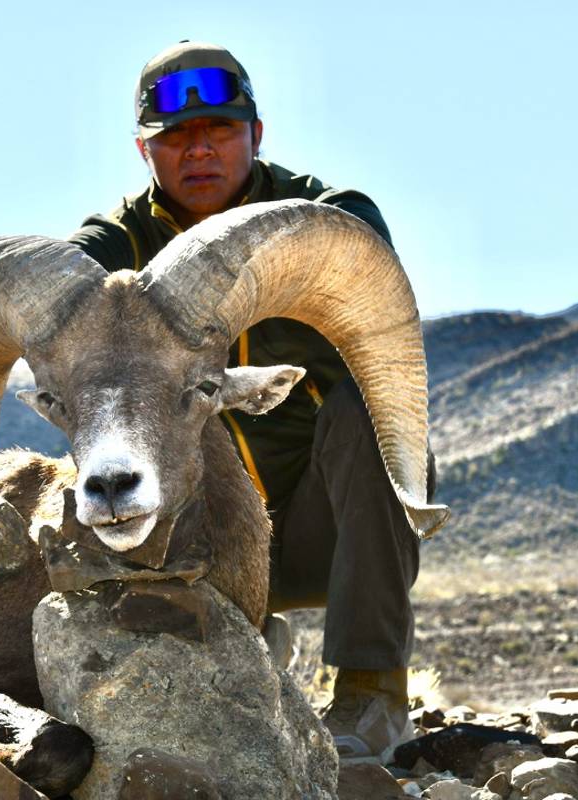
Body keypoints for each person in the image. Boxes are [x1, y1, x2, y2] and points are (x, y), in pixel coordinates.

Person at [67, 40, 431, 763]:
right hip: (192, 532)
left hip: (325, 531)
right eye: (176, 136)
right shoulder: (116, 246)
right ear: (144, 151)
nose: (199, 150)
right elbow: (62, 311)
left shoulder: (326, 222)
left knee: (364, 411)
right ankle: (237, 635)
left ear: (256, 135)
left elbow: (390, 359)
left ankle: (372, 693)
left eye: (221, 130)